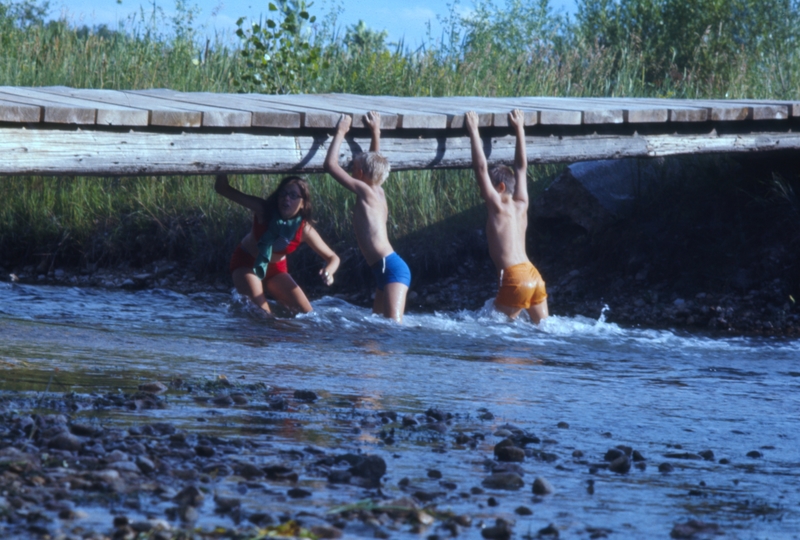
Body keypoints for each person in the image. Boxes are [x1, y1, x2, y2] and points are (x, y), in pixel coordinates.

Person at [324, 111, 411, 323]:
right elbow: (374, 162)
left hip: (391, 269)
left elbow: (330, 166)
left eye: (353, 168)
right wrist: (375, 131)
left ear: (361, 174)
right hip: (383, 269)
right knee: (377, 330)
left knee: (392, 329)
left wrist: (341, 131)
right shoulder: (376, 189)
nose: (351, 170)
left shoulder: (365, 191)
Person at [465, 109, 549, 324]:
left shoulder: (497, 206)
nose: (484, 194)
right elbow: (521, 168)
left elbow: (481, 168)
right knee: (543, 335)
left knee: (496, 342)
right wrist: (520, 129)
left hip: (515, 278)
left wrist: (474, 131)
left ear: (500, 188)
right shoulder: (522, 204)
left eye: (489, 189)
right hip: (534, 276)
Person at [214, 174, 340, 317]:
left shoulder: (304, 229)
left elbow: (333, 257)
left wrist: (329, 271)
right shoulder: (264, 210)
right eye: (284, 194)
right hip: (247, 263)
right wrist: (222, 167)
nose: (287, 198)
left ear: (303, 203)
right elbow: (222, 189)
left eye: (293, 195)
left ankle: (282, 337)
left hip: (276, 270)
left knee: (308, 317)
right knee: (263, 316)